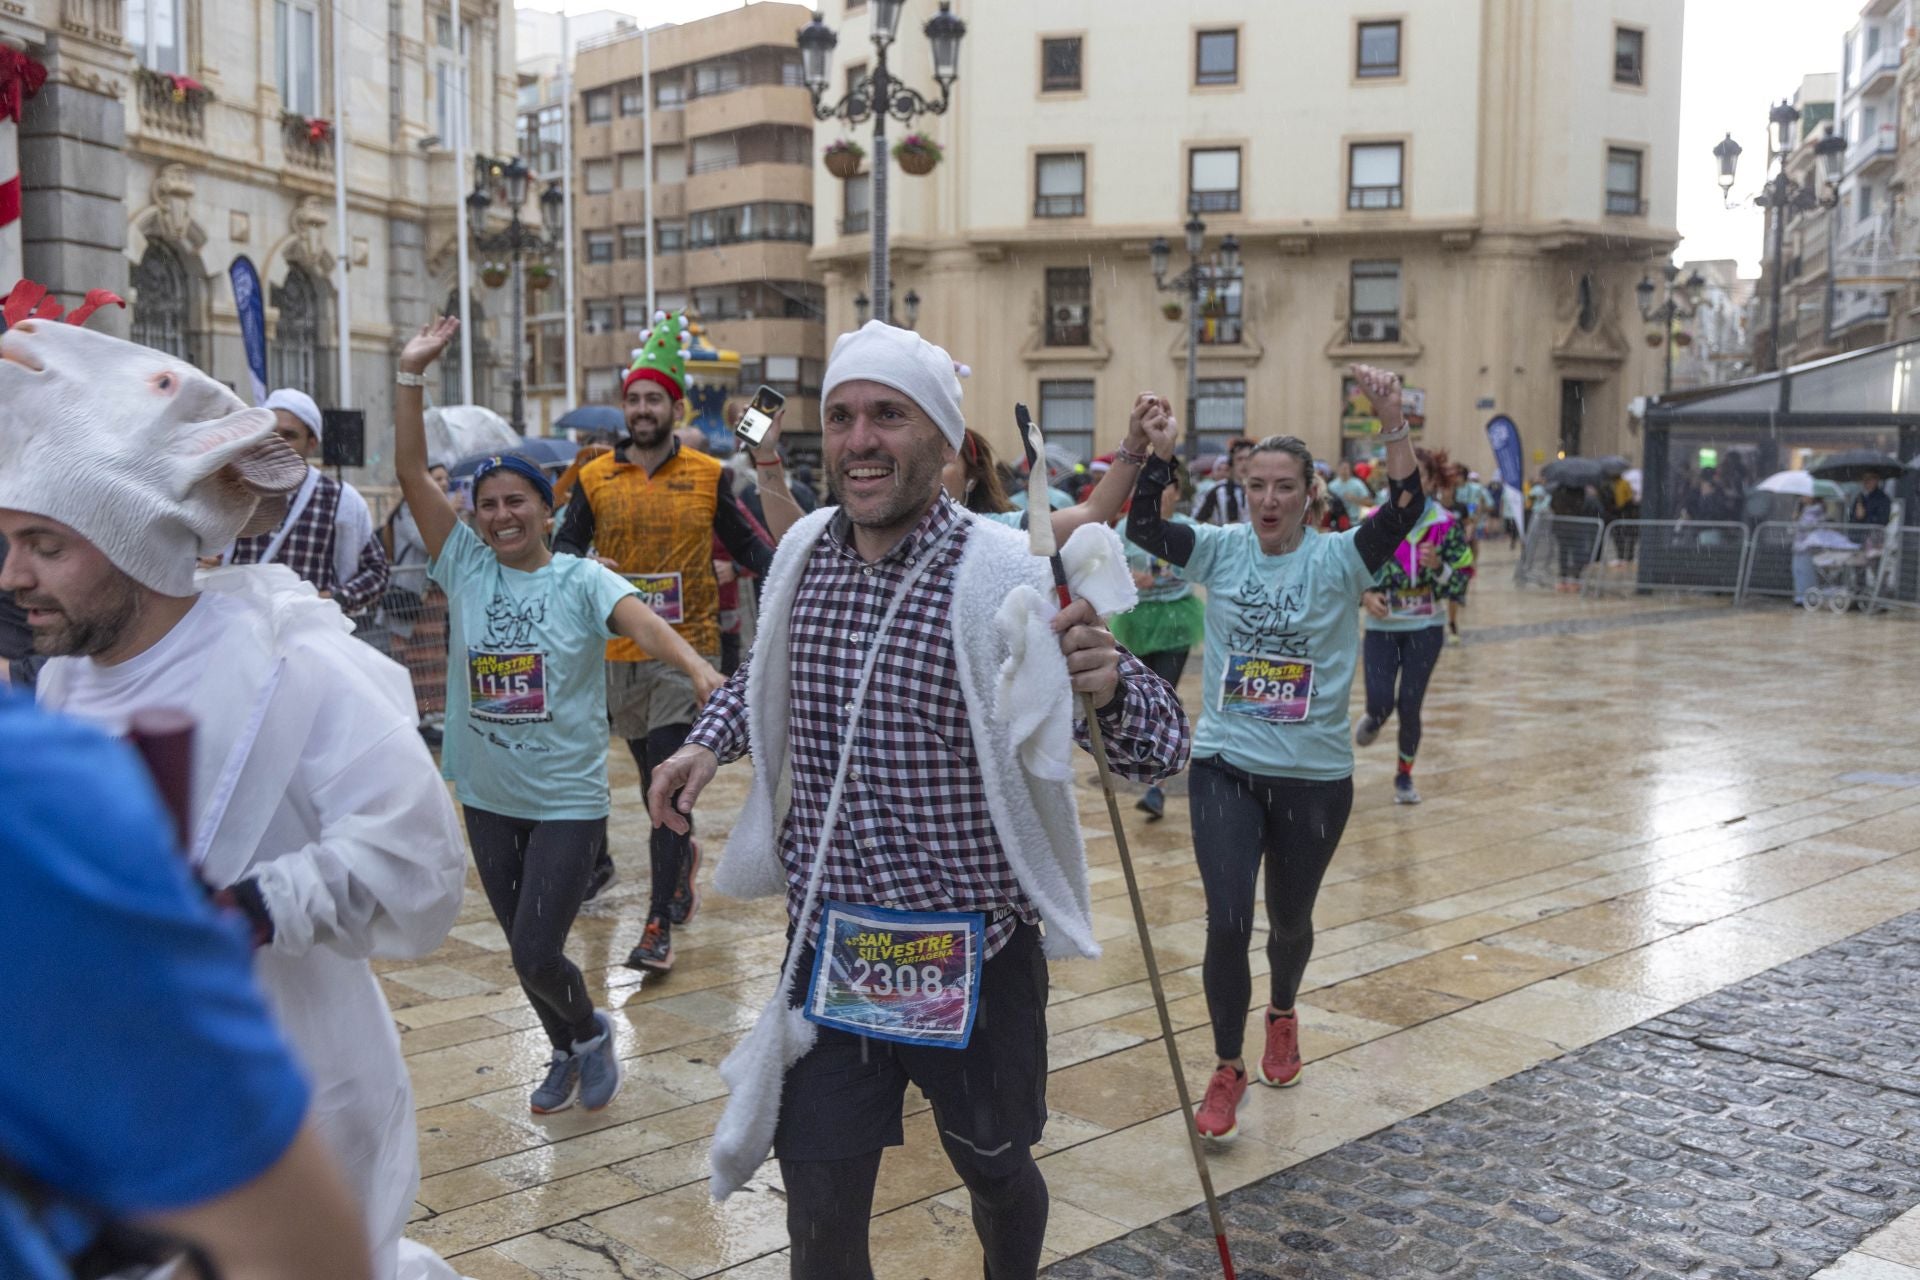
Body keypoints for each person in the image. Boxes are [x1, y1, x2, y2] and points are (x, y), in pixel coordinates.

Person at [645, 320, 1191, 1280]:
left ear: (943, 440)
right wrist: (706, 741)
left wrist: (1111, 684)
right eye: (845, 415)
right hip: (834, 951)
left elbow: (1157, 749)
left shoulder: (1008, 576)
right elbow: (765, 671)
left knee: (994, 1172)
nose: (860, 438)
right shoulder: (805, 552)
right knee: (816, 1220)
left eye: (889, 416)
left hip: (971, 958)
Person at [0, 314, 469, 1280]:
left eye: (44, 542)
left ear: (134, 534)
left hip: (299, 1109)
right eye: (6, 542)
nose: (12, 577)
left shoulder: (295, 662)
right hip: (115, 1138)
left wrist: (244, 910)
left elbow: (420, 865)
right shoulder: (59, 678)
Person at [395, 317, 722, 1114]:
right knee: (521, 950)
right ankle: (568, 1044)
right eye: (487, 505)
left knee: (540, 945)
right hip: (484, 789)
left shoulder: (579, 578)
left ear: (546, 511)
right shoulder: (464, 564)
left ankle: (586, 1031)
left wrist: (696, 665)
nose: (501, 515)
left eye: (517, 503)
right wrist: (409, 376)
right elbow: (408, 470)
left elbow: (642, 622)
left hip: (564, 797)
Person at [1125, 363, 1423, 1144]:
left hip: (1315, 778)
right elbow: (1146, 532)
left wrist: (1390, 420)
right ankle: (1227, 1067)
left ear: (1309, 496)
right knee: (1228, 919)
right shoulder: (1222, 550)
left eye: (1284, 486)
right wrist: (1156, 454)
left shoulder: (1338, 560)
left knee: (1289, 921)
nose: (1267, 500)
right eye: (1256, 484)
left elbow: (1406, 508)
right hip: (1224, 765)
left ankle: (1282, 1013)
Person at [2, 696, 374, 1280]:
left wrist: (259, 904)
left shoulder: (29, 794)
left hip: (305, 1034)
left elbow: (405, 853)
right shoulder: (39, 779)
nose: (12, 597)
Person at [552, 311, 781, 974]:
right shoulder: (594, 478)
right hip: (617, 657)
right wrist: (590, 566)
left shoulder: (710, 474)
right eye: (634, 398)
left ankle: (656, 924)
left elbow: (750, 547)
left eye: (655, 398)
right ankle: (678, 867)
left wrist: (798, 573)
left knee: (666, 784)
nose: (643, 408)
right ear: (624, 407)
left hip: (689, 655)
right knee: (648, 783)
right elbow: (564, 553)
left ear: (674, 407)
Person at [1354, 448, 1474, 804]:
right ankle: (1375, 719)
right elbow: (1350, 568)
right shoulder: (1374, 520)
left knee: (1410, 703)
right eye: (1401, 474)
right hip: (1382, 626)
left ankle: (1404, 776)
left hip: (1426, 626)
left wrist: (1439, 567)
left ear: (1433, 481)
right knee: (1379, 701)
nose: (1408, 482)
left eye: (1418, 474)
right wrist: (1364, 595)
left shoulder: (1447, 525)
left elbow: (1462, 579)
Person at [223, 387, 392, 619]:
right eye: (270, 432)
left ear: (312, 443)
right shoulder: (235, 489)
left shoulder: (340, 500)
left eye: (289, 435)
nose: (276, 442)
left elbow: (377, 571)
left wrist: (338, 598)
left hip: (307, 636)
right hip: (242, 630)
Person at [1113, 448, 1205, 821]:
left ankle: (1157, 787)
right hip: (1136, 620)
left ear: (1177, 489)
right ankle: (1148, 759)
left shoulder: (1187, 528)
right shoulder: (1124, 529)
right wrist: (1130, 577)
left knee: (1165, 692)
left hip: (1176, 619)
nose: (1157, 495)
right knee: (1139, 696)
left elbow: (1200, 567)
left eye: (1165, 487)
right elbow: (1107, 568)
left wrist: (1173, 575)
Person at [1194, 437, 1254, 524]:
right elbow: (1199, 519)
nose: (1244, 463)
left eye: (1248, 459)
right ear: (1232, 462)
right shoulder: (1218, 490)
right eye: (1239, 459)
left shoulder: (1263, 490)